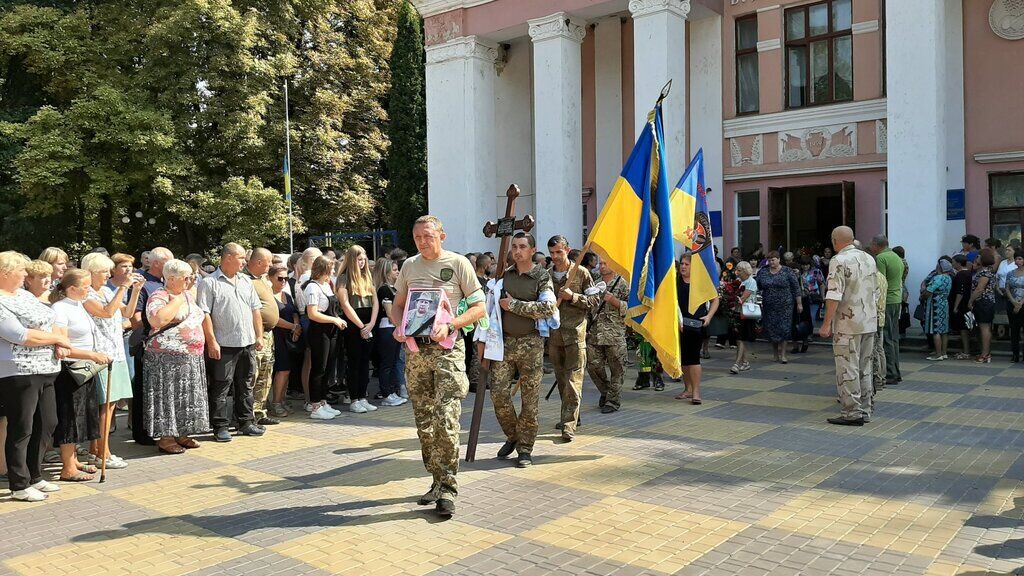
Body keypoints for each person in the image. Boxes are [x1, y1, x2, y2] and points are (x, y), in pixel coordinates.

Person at [389, 215, 485, 517]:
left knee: (446, 419)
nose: (422, 241)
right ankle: (436, 479)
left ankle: (448, 489)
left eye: (428, 236)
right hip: (417, 354)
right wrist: (398, 325)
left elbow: (480, 307)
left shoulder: (458, 264)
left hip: (447, 351)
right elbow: (399, 305)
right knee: (425, 425)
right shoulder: (409, 266)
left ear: (441, 235)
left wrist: (452, 324)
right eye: (417, 237)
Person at [0, 251, 68, 501]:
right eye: (21, 271)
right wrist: (56, 338)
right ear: (5, 273)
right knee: (22, 427)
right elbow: (18, 335)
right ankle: (19, 484)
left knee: (47, 422)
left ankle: (35, 475)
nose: (25, 275)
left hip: (47, 367)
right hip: (18, 370)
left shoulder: (24, 296)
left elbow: (50, 322)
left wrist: (57, 338)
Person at [490, 233, 555, 468]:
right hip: (504, 344)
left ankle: (525, 449)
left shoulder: (541, 276)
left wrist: (513, 305)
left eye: (522, 247)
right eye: (514, 247)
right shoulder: (504, 275)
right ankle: (514, 435)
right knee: (498, 394)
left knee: (530, 400)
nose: (517, 251)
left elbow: (548, 307)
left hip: (531, 344)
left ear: (532, 249)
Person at [198, 243, 265, 442]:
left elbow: (256, 311)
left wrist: (259, 336)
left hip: (247, 342)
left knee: (245, 384)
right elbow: (205, 314)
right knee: (221, 385)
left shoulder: (245, 281)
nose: (245, 261)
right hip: (224, 344)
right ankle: (220, 426)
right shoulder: (209, 283)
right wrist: (212, 341)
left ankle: (246, 422)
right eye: (241, 257)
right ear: (228, 257)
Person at [80, 253, 141, 470]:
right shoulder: (86, 294)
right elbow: (106, 313)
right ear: (91, 273)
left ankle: (98, 451)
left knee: (111, 405)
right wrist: (123, 287)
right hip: (100, 354)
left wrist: (135, 290)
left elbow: (127, 312)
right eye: (104, 271)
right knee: (104, 405)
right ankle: (101, 452)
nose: (108, 275)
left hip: (116, 352)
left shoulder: (106, 290)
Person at [143, 259, 210, 454]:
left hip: (190, 356)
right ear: (171, 279)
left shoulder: (188, 295)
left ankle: (182, 432)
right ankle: (166, 437)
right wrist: (178, 300)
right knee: (168, 397)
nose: (191, 280)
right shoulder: (160, 295)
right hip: (165, 359)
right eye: (187, 277)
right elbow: (157, 319)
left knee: (186, 397)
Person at [51, 269, 111, 481]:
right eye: (85, 286)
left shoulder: (79, 306)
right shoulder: (60, 308)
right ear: (72, 288)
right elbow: (62, 344)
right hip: (70, 369)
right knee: (69, 417)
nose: (88, 289)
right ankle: (67, 466)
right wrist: (91, 354)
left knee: (82, 415)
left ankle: (74, 459)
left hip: (86, 367)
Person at [821, 226, 878, 426]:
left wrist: (826, 324)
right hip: (869, 322)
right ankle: (866, 410)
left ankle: (852, 412)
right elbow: (875, 291)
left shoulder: (839, 260)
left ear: (835, 240)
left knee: (847, 368)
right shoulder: (869, 258)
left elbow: (834, 294)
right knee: (865, 367)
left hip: (847, 324)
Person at [546, 235, 599, 442]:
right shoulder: (546, 276)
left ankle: (568, 425)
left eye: (559, 252)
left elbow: (595, 300)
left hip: (575, 334)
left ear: (567, 250)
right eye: (552, 253)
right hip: (555, 336)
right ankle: (570, 416)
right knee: (561, 380)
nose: (555, 256)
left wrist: (573, 297)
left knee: (573, 381)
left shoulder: (581, 273)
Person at [129, 246, 173, 446]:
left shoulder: (167, 284)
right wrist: (160, 319)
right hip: (146, 344)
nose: (172, 266)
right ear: (156, 263)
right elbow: (135, 318)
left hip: (167, 347)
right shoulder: (143, 285)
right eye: (168, 261)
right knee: (143, 389)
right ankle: (141, 432)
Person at [336, 245, 378, 414]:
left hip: (368, 322)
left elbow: (375, 302)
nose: (362, 262)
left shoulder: (368, 276)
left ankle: (362, 397)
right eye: (359, 259)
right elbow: (345, 304)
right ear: (352, 260)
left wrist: (372, 324)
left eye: (364, 259)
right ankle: (354, 398)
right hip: (354, 324)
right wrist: (362, 326)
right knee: (354, 362)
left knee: (364, 362)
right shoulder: (344, 278)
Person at [241, 248, 280, 427]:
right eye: (268, 262)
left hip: (268, 334)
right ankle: (247, 415)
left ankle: (260, 411)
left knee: (266, 374)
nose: (270, 265)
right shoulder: (244, 280)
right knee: (253, 375)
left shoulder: (261, 280)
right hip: (255, 334)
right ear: (258, 262)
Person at [304, 256, 345, 420]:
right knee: (319, 369)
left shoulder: (326, 285)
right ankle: (314, 405)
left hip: (331, 331)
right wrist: (334, 319)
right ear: (323, 269)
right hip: (319, 332)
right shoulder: (312, 287)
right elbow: (312, 314)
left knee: (328, 368)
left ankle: (322, 401)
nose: (334, 271)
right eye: (331, 268)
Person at [674, 252, 719, 404]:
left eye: (687, 264)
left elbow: (715, 300)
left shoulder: (701, 282)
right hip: (679, 325)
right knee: (684, 360)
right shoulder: (675, 281)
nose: (683, 267)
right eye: (682, 264)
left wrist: (709, 317)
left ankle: (696, 392)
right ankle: (687, 389)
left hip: (696, 326)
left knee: (693, 359)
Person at [586, 260, 629, 414]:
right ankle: (606, 392)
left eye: (605, 263)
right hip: (595, 334)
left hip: (614, 334)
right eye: (600, 263)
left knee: (617, 370)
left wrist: (614, 301)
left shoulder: (623, 283)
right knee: (593, 366)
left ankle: (613, 401)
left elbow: (633, 309)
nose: (602, 266)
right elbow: (588, 308)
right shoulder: (594, 284)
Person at [755, 251, 801, 363]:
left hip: (785, 305)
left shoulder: (787, 271)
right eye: (769, 260)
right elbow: (757, 286)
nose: (771, 262)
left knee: (784, 329)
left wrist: (799, 303)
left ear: (779, 259)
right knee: (771, 329)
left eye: (773, 260)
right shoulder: (763, 272)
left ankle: (783, 354)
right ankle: (775, 354)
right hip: (769, 306)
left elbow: (796, 288)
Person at [870, 235, 905, 385]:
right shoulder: (896, 257)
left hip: (887, 301)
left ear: (877, 245)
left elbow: (880, 282)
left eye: (872, 244)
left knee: (887, 339)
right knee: (894, 337)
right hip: (896, 299)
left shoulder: (881, 258)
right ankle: (895, 371)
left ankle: (890, 373)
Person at [372, 258, 407, 406]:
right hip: (387, 329)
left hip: (394, 328)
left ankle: (392, 390)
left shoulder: (394, 289)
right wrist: (398, 325)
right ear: (386, 272)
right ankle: (386, 393)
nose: (397, 271)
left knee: (393, 361)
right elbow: (389, 312)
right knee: (387, 362)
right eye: (394, 269)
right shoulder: (384, 289)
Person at [268, 265, 300, 416]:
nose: (283, 282)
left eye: (286, 278)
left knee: (287, 370)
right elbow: (274, 319)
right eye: (280, 278)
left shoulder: (286, 295)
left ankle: (281, 399)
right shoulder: (268, 296)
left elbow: (293, 311)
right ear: (270, 278)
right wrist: (293, 327)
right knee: (282, 369)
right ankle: (275, 403)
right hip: (276, 336)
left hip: (289, 336)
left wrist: (297, 326)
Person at [968, 248, 998, 363]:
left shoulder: (985, 272)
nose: (977, 258)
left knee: (984, 328)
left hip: (984, 302)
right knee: (983, 328)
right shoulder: (986, 270)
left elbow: (980, 289)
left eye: (979, 256)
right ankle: (985, 353)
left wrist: (970, 301)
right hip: (985, 302)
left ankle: (985, 354)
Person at [924, 259, 954, 361]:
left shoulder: (938, 278)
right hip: (944, 304)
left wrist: (923, 296)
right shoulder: (949, 278)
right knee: (944, 330)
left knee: (935, 330)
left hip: (935, 305)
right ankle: (944, 352)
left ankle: (938, 354)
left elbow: (929, 291)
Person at [730, 261, 757, 374]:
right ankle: (745, 362)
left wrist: (731, 300)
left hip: (746, 313)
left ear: (745, 271)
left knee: (741, 338)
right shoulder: (739, 281)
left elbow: (742, 298)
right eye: (737, 269)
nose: (737, 272)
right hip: (738, 312)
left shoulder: (751, 282)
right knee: (740, 339)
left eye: (739, 270)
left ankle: (737, 364)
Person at [1005, 249, 1024, 363]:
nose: (1018, 261)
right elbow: (1007, 288)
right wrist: (1013, 302)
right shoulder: (1010, 273)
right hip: (1011, 303)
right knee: (1014, 330)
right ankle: (1015, 354)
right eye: (1016, 258)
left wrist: (1020, 303)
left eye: (1020, 258)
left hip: (1023, 304)